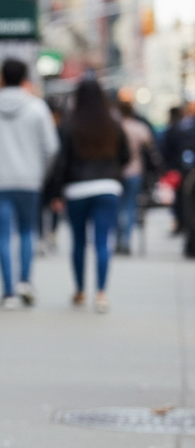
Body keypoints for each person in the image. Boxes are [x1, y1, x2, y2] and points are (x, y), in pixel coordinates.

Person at [0, 58, 59, 309]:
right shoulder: (37, 108)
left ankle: (8, 291)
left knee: (3, 235)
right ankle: (25, 282)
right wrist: (41, 173)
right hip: (29, 180)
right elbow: (51, 147)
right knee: (27, 232)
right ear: (24, 78)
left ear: (1, 77)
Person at [50, 79, 130, 312]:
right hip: (107, 187)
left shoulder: (69, 125)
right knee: (102, 241)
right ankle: (102, 293)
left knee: (78, 242)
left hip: (77, 189)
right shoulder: (113, 125)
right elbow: (125, 156)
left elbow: (61, 162)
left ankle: (80, 291)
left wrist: (56, 192)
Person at [116, 98, 159, 254]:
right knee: (130, 207)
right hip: (135, 172)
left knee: (118, 207)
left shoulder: (115, 128)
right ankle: (125, 240)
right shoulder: (139, 128)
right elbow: (152, 149)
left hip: (116, 173)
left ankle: (119, 239)